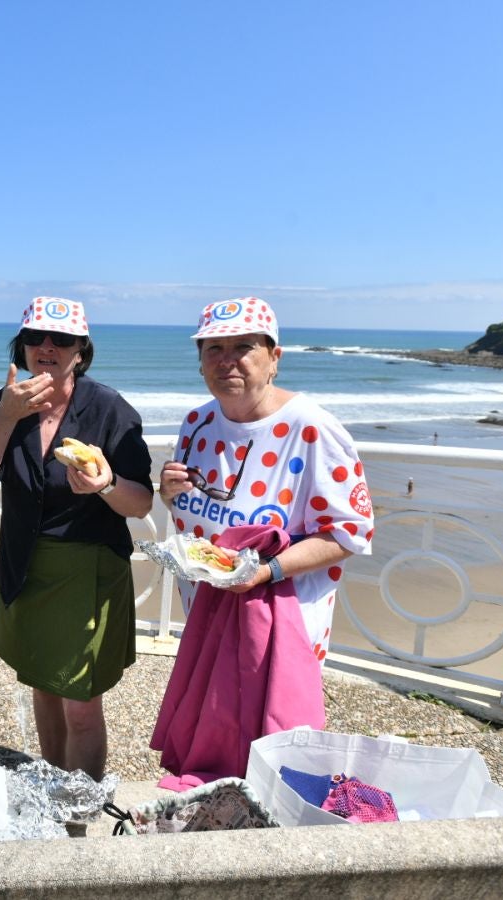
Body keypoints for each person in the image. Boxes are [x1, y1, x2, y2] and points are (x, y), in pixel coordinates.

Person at [153, 297, 374, 788]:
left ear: (274, 357)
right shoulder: (197, 423)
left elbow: (350, 531)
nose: (226, 360)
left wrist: (266, 571)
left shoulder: (312, 428)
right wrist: (167, 494)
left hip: (283, 620)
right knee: (212, 738)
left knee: (274, 753)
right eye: (213, 349)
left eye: (243, 347)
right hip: (209, 611)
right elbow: (191, 512)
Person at [0, 298, 153, 781]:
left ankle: (80, 808)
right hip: (24, 564)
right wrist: (5, 416)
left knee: (81, 705)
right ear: (22, 346)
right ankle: (52, 783)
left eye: (61, 338)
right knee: (42, 686)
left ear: (80, 351)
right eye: (35, 337)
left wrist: (106, 484)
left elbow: (141, 502)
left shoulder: (109, 409)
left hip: (86, 572)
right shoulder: (8, 404)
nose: (47, 346)